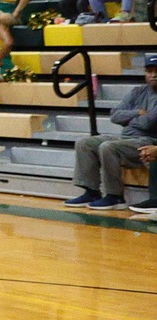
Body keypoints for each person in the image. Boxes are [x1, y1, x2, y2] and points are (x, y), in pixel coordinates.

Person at [63, 56, 157, 212]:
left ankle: (115, 196)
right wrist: (137, 112)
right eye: (149, 71)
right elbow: (114, 115)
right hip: (126, 138)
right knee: (85, 143)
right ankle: (92, 192)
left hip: (148, 141)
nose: (153, 75)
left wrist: (129, 119)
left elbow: (148, 122)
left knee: (108, 147)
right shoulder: (138, 91)